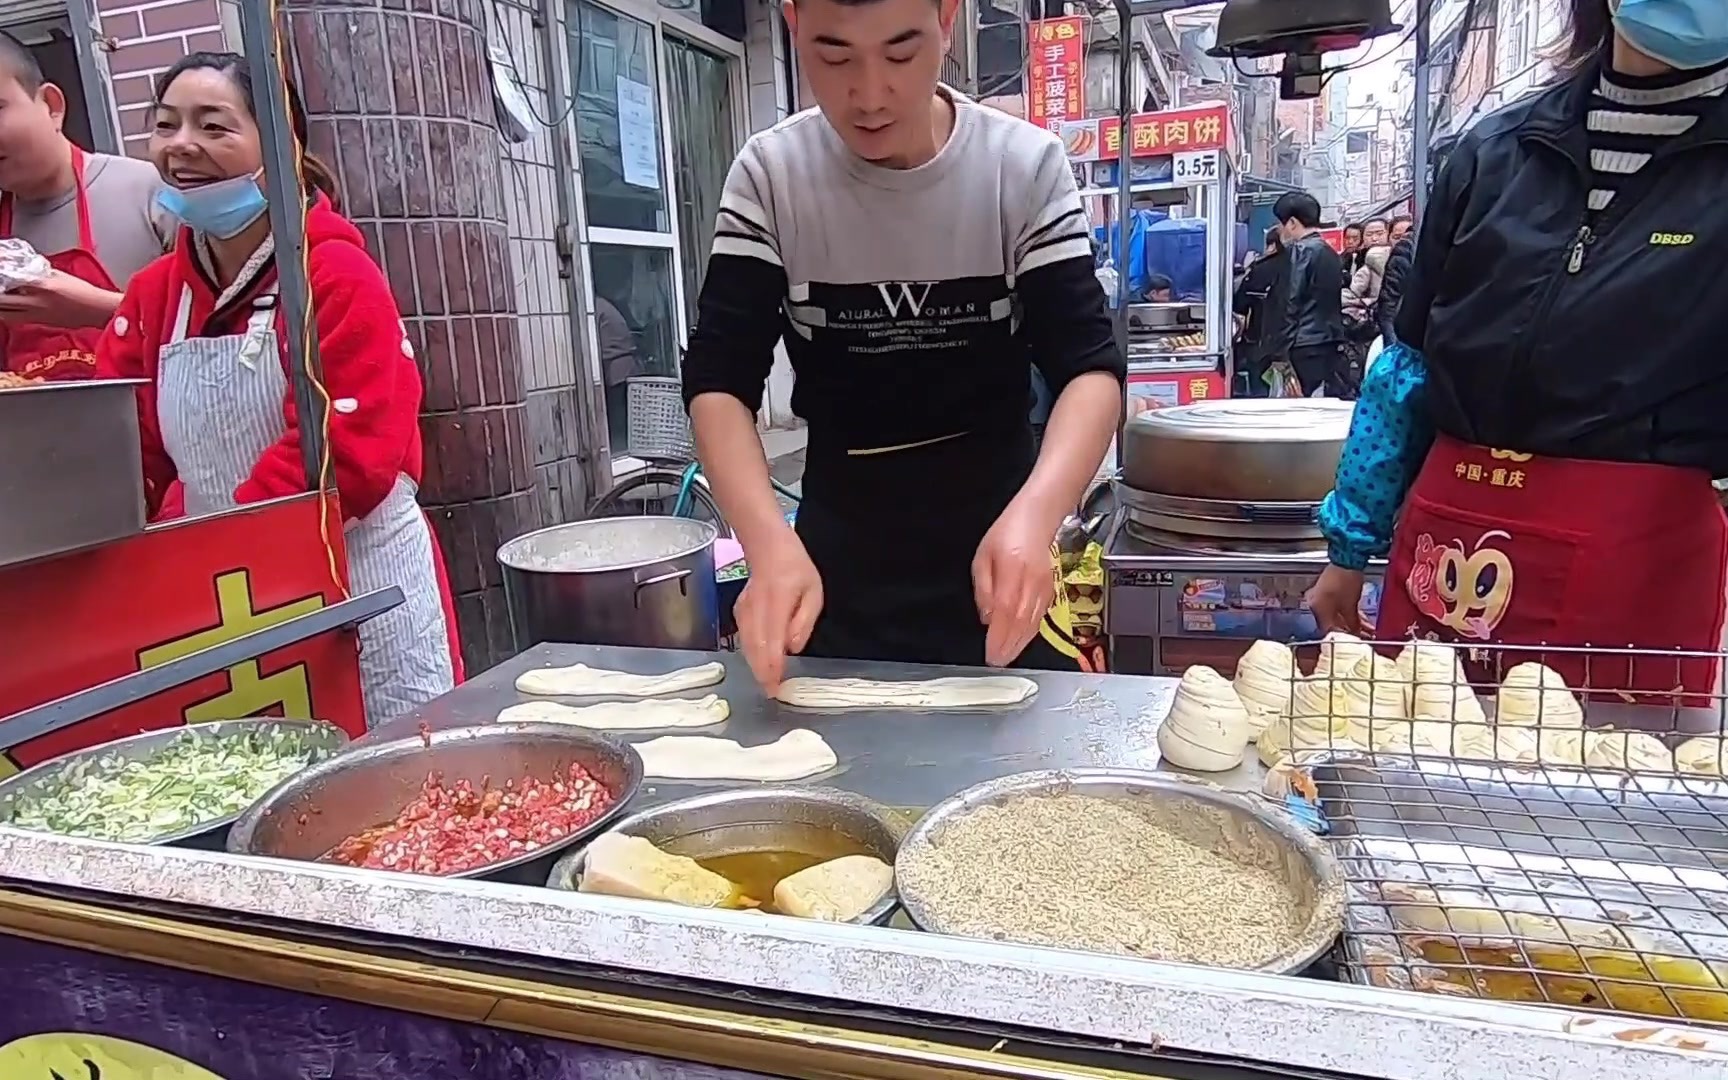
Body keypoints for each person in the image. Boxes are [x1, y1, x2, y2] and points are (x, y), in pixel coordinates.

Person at [680, 0, 1124, 689]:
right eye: (833, 55)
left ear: (947, 18)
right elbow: (719, 381)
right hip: (835, 568)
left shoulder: (1021, 168)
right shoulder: (771, 177)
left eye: (900, 51)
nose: (869, 93)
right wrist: (769, 546)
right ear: (794, 23)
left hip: (1002, 551)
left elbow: (1090, 371)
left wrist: (1037, 517)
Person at [1307, 0, 1728, 700]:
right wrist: (1349, 549)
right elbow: (1404, 374)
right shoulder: (1493, 152)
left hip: (1637, 566)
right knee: (1413, 779)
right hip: (1452, 545)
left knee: (1607, 794)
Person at [96, 52, 462, 722]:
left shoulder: (335, 275)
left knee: (396, 777)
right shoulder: (152, 298)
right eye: (166, 125)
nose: (183, 146)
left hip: (358, 580)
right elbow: (120, 453)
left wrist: (227, 546)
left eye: (214, 127)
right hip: (219, 593)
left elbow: (348, 452)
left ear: (281, 147)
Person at [0, 34, 173, 381]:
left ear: (51, 105)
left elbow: (217, 331)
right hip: (37, 432)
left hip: (145, 431)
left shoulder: (154, 192)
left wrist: (98, 309)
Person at [1264, 191, 1349, 398]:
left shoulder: (1299, 251)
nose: (1280, 230)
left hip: (1301, 345)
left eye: (1281, 224)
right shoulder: (1330, 253)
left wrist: (1280, 353)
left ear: (1292, 222)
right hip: (1328, 341)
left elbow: (1289, 302)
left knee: (1296, 405)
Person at [1232, 227, 1286, 397]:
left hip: (1260, 340)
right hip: (1296, 344)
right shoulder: (1303, 264)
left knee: (1260, 391)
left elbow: (1240, 304)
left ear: (1271, 245)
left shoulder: (1261, 268)